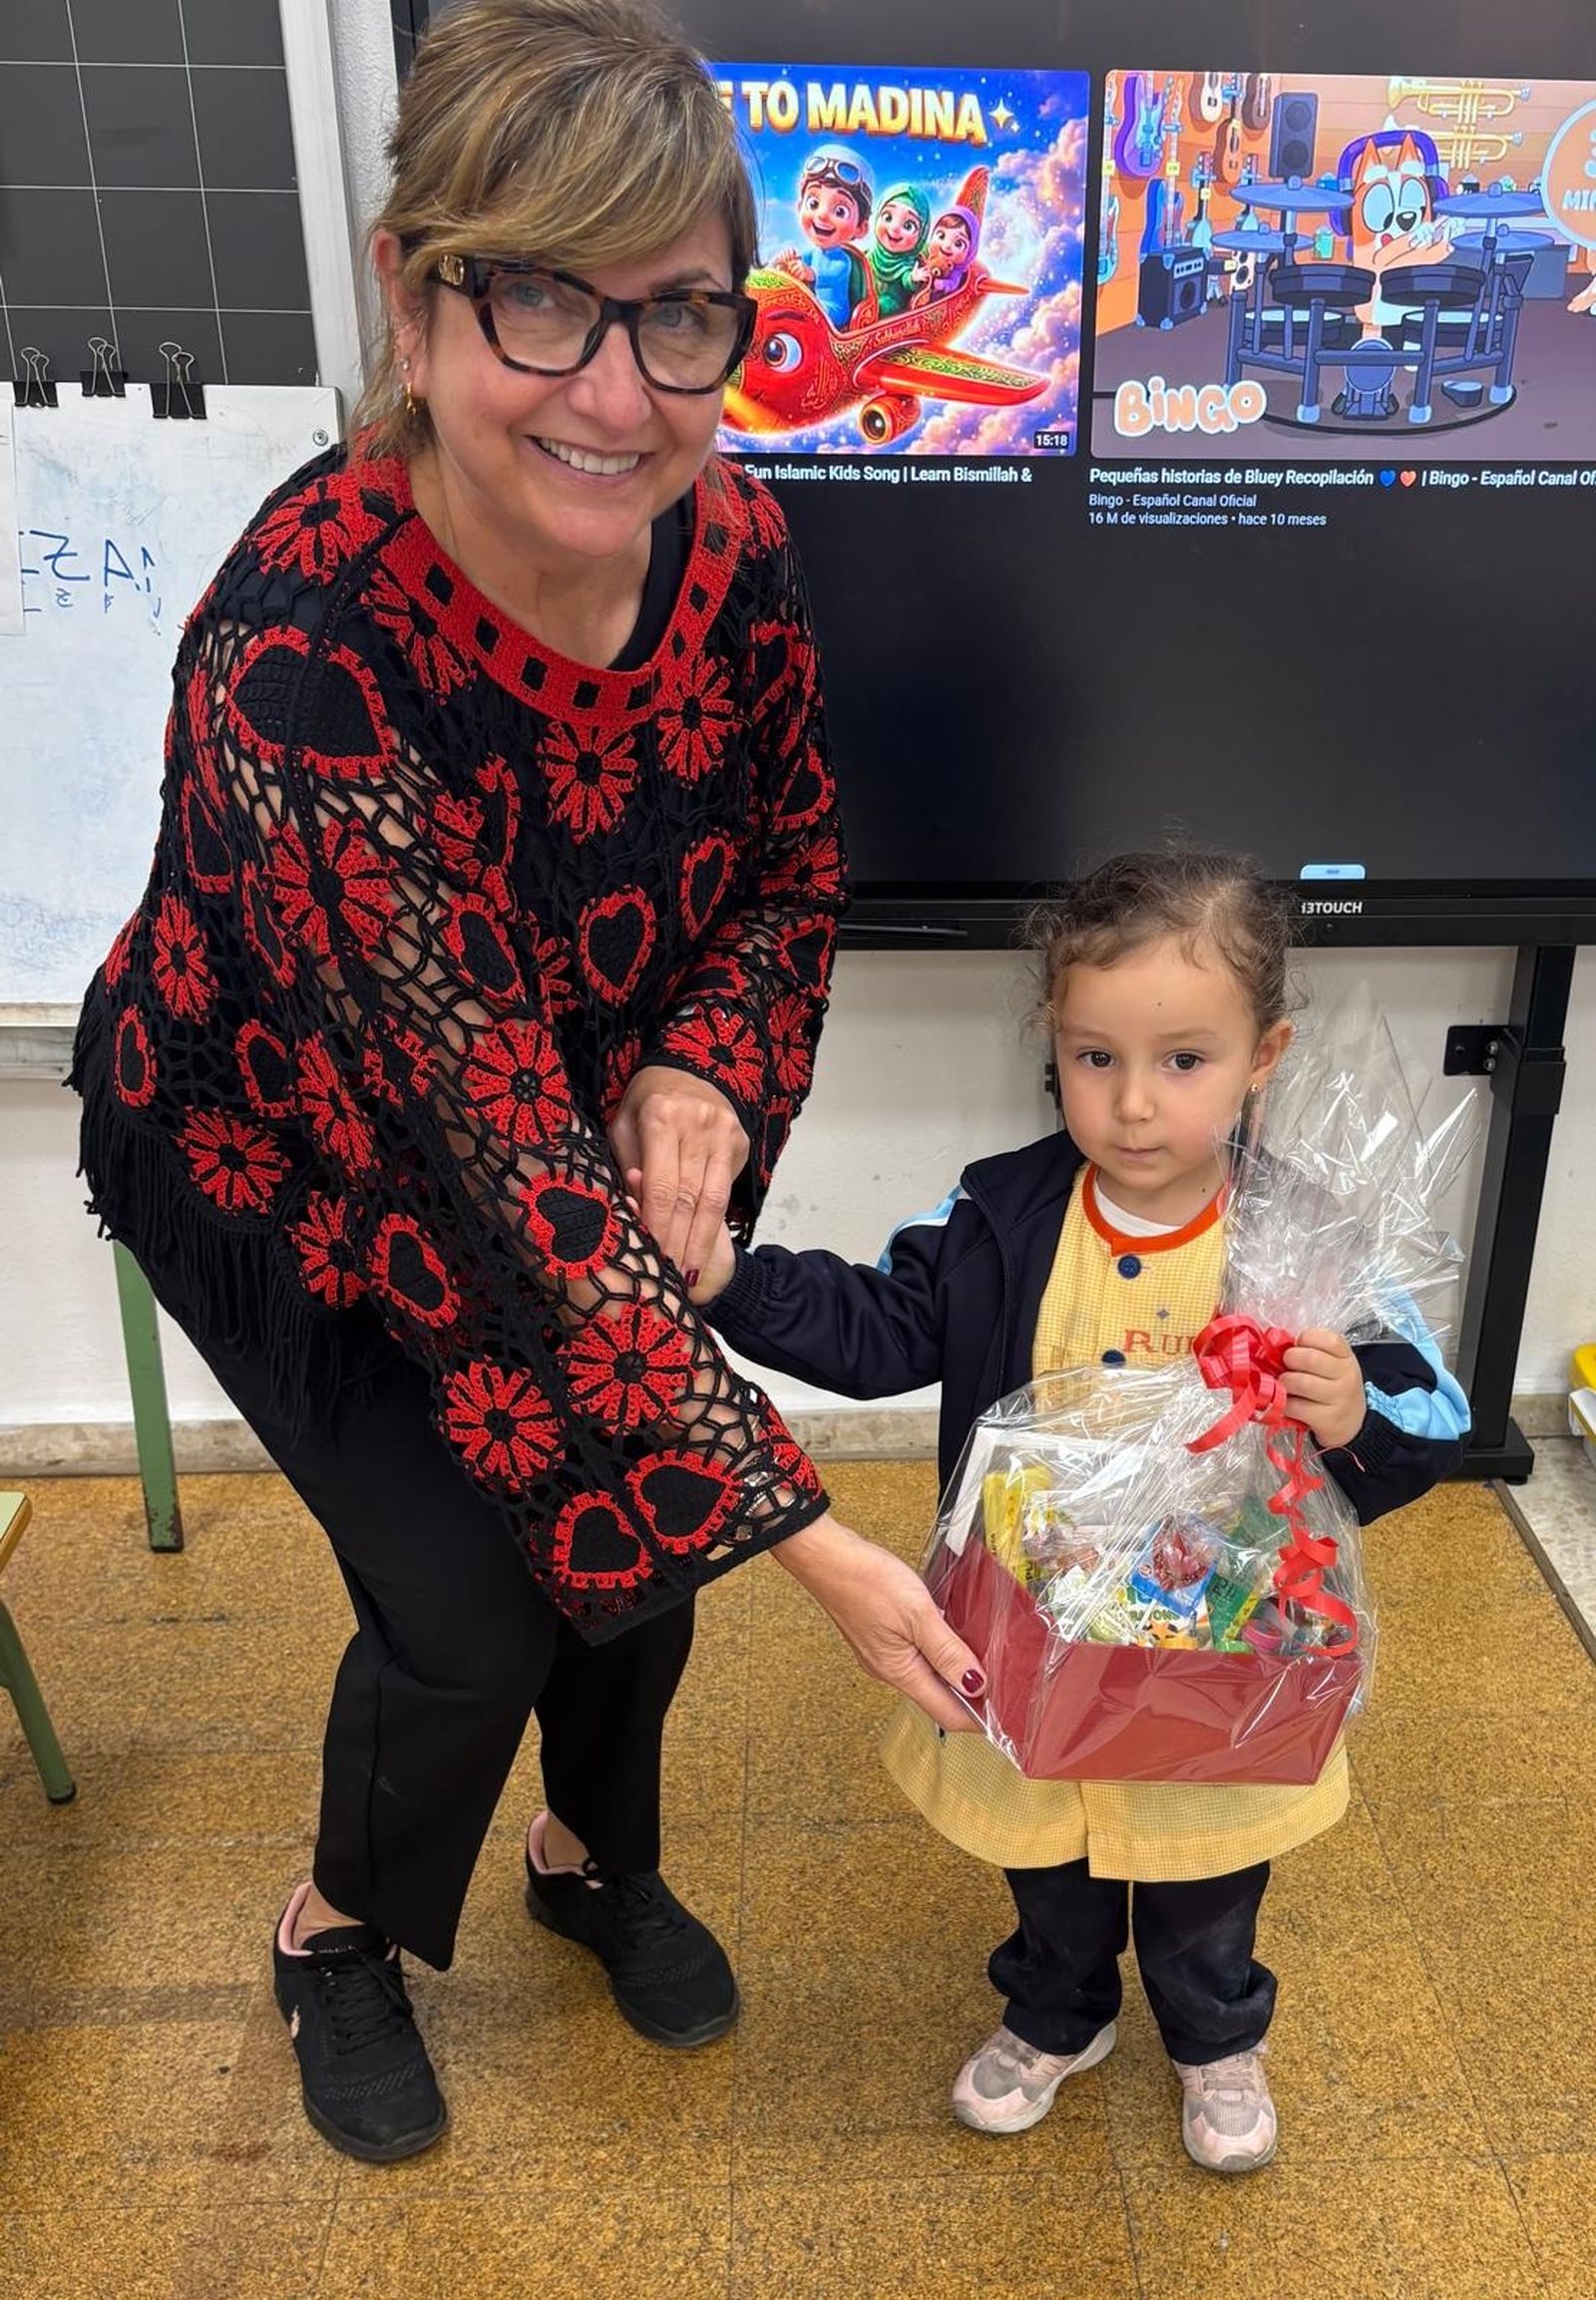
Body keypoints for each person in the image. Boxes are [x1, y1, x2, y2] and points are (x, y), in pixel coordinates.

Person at [68, 0, 982, 2165]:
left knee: (632, 1559)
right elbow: (474, 1170)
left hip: (550, 1126)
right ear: (414, 287)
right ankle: (335, 1932)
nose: (613, 391)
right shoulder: (301, 657)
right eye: (543, 299)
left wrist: (697, 1069)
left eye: (677, 318)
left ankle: (589, 1861)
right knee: (471, 1606)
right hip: (288, 1151)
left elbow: (783, 862)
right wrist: (817, 1534)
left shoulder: (730, 538)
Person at [682, 851, 1469, 2174]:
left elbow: (1436, 1409)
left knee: (1208, 1882)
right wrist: (733, 1285)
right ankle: (1057, 2010)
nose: (1135, 1102)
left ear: (1263, 1053)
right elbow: (880, 1321)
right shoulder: (1003, 1208)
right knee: (1047, 1859)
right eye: (1095, 1056)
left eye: (1183, 1059)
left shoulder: (1303, 1235)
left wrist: (1348, 1413)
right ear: (1054, 1042)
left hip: (1222, 1657)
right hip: (1035, 1633)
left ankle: (1217, 2035)